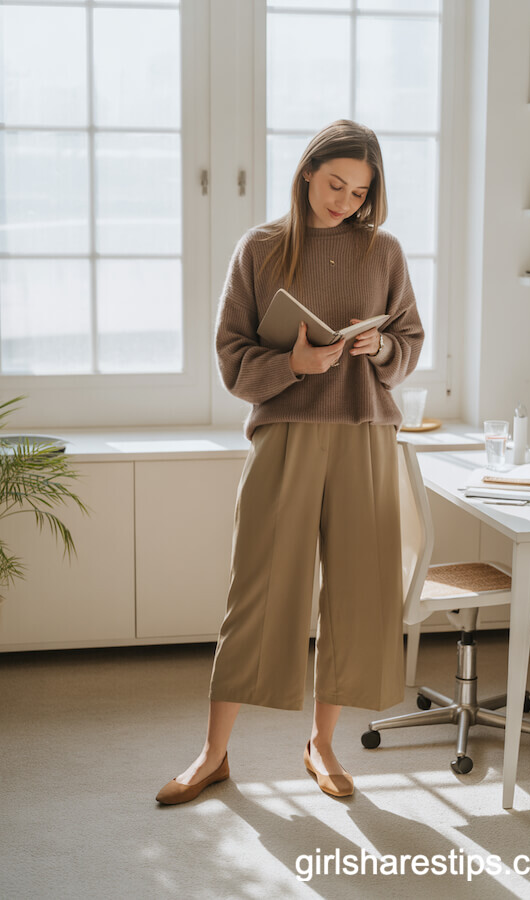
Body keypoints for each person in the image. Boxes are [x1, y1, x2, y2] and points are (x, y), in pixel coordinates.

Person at [156, 119, 425, 805]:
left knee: (358, 594)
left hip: (365, 434)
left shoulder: (384, 251)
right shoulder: (260, 249)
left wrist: (379, 349)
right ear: (306, 171)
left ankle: (321, 745)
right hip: (285, 433)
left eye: (359, 192)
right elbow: (232, 356)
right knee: (258, 590)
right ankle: (213, 753)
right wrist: (295, 363)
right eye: (335, 184)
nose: (344, 201)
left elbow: (408, 341)